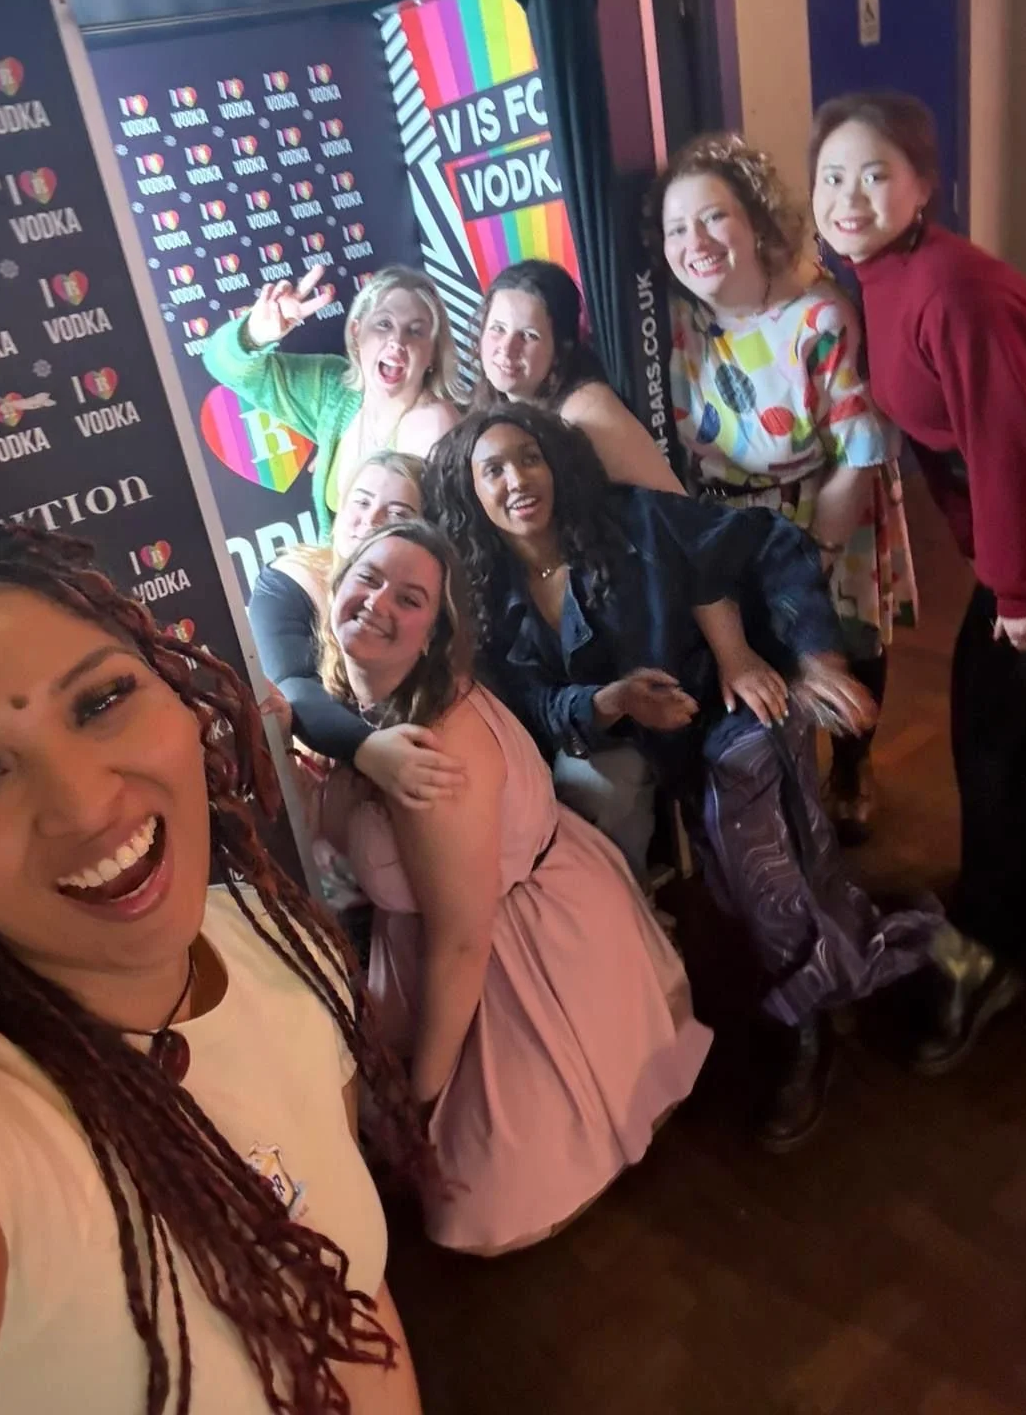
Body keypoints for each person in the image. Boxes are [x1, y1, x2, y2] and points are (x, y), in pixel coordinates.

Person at [0, 525, 425, 1415]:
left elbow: (351, 1289)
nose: (83, 806)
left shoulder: (284, 945)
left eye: (100, 700)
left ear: (180, 699)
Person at [425, 405, 1017, 1150]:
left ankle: (804, 1028)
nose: (517, 479)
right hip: (670, 749)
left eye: (528, 457)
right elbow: (533, 706)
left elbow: (772, 542)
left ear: (554, 462)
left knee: (761, 873)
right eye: (494, 469)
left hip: (746, 711)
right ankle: (955, 957)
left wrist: (815, 660)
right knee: (785, 883)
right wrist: (612, 701)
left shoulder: (631, 519)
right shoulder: (490, 597)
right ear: (470, 492)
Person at [314, 518, 711, 1252]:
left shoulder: (438, 754)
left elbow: (462, 943)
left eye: (409, 599)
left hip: (511, 954)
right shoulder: (358, 704)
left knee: (479, 1205)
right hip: (458, 940)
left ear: (435, 638)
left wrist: (420, 1104)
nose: (377, 603)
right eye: (367, 579)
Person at [811, 90, 1026, 963]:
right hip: (1016, 535)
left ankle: (1001, 940)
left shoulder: (952, 289)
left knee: (992, 735)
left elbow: (1007, 444)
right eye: (831, 176)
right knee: (1013, 730)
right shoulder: (879, 274)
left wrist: (1020, 589)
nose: (849, 197)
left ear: (924, 188)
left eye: (876, 175)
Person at [657, 133, 917, 845]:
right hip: (724, 515)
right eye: (677, 228)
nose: (695, 242)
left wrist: (815, 557)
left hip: (825, 498)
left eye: (714, 217)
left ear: (756, 222)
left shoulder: (819, 316)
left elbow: (858, 452)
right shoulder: (672, 318)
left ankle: (854, 766)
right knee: (759, 655)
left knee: (848, 640)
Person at [250, 449, 465, 811]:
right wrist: (368, 748)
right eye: (361, 502)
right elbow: (289, 683)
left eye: (397, 514)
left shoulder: (442, 598)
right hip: (324, 788)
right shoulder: (292, 578)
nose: (370, 520)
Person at [204, 263, 462, 538]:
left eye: (415, 331)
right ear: (356, 332)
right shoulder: (333, 389)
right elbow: (223, 367)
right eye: (384, 324)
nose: (397, 341)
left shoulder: (434, 426)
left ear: (433, 353)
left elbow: (432, 545)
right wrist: (254, 335)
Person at [471, 257, 684, 495]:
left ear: (561, 349)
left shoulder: (586, 411)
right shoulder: (496, 402)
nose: (507, 348)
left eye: (529, 335)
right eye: (498, 329)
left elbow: (676, 507)